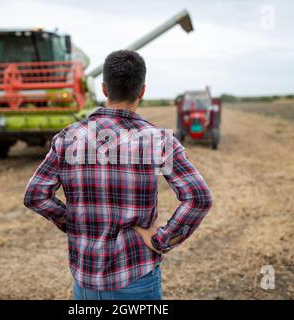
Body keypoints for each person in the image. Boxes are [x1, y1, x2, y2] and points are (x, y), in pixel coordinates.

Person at [23, 50, 212, 300]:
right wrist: (161, 240)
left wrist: (71, 221)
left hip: (85, 281)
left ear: (104, 88)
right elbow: (199, 198)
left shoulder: (67, 137)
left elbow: (35, 195)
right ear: (142, 91)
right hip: (136, 278)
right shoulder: (158, 140)